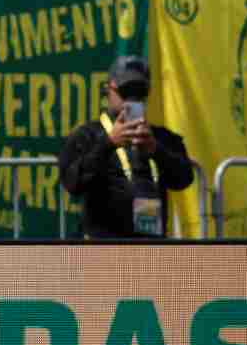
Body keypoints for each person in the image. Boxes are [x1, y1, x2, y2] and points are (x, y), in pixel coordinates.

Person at [58, 55, 195, 238]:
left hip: (151, 249)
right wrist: (108, 144)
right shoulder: (87, 135)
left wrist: (156, 150)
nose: (131, 98)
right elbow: (72, 183)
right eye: (126, 90)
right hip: (103, 248)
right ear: (109, 89)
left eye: (139, 92)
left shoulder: (162, 137)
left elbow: (184, 179)